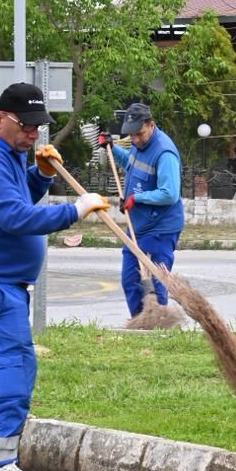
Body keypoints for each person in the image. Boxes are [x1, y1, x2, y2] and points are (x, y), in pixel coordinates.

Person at [0, 82, 108, 471]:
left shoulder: (7, 154)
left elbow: (16, 197)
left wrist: (41, 175)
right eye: (26, 126)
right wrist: (74, 210)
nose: (33, 135)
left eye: (39, 127)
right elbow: (14, 217)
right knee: (15, 373)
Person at [98, 102, 185, 317]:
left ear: (151, 125)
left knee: (155, 283)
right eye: (131, 135)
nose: (135, 139)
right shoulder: (139, 144)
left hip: (159, 228)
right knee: (131, 281)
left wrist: (137, 198)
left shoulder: (165, 153)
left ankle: (158, 325)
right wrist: (111, 147)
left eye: (139, 134)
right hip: (137, 225)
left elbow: (170, 193)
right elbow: (131, 164)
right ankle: (141, 324)